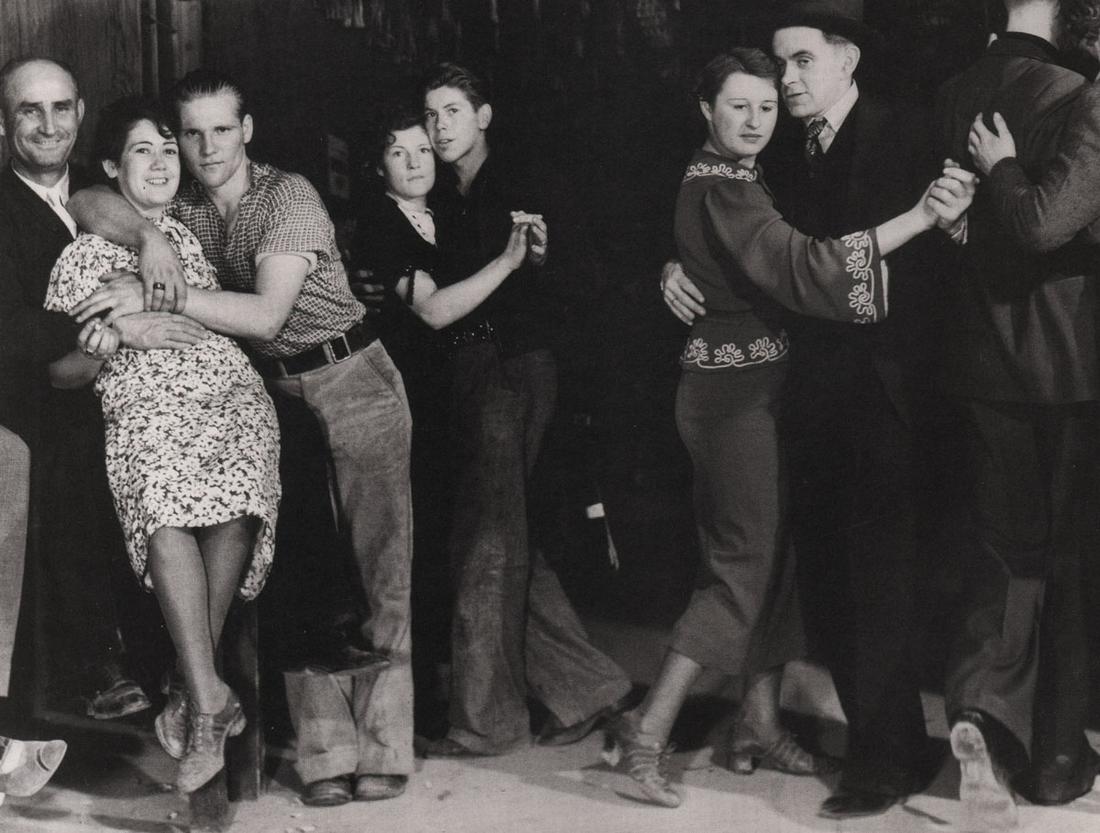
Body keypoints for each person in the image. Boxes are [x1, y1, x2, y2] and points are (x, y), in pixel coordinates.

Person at [604, 46, 973, 809]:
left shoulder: (740, 176)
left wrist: (681, 266)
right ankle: (647, 734)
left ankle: (757, 722)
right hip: (732, 398)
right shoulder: (725, 186)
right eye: (737, 106)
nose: (755, 120)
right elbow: (802, 263)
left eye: (766, 106)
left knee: (772, 567)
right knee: (740, 570)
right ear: (705, 111)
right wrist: (919, 217)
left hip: (759, 387)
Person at [67, 69, 414, 804]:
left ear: (247, 131)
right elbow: (86, 198)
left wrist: (151, 291)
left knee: (377, 564)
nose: (203, 147)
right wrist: (151, 237)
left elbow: (263, 317)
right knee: (300, 570)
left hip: (348, 375)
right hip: (271, 387)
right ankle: (324, 754)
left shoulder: (286, 197)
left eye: (220, 130)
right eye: (190, 134)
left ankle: (383, 745)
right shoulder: (181, 201)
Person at [43, 96, 281, 794]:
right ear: (115, 165)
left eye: (168, 148)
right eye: (142, 150)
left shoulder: (195, 236)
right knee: (164, 496)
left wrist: (160, 296)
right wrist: (112, 336)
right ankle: (210, 698)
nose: (161, 161)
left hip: (230, 394)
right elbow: (64, 369)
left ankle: (193, 692)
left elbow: (237, 317)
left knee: (239, 491)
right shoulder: (85, 249)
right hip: (147, 405)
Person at [418, 62, 634, 758]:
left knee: (485, 542)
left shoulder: (520, 182)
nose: (439, 126)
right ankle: (592, 687)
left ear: (483, 116)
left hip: (513, 368)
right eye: (430, 116)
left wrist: (543, 255)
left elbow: (586, 276)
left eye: (452, 111)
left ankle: (487, 721)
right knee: (504, 536)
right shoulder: (449, 197)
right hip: (476, 370)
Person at [0, 57, 206, 721]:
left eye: (62, 108)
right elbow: (10, 331)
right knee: (75, 450)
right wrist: (115, 318)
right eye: (30, 109)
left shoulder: (98, 185)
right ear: (3, 120)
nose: (48, 123)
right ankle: (98, 661)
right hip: (37, 392)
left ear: (81, 113)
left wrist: (149, 240)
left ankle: (195, 670)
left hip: (132, 381)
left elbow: (101, 210)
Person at [937, 3, 1100, 825]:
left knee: (1004, 555)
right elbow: (1043, 224)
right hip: (1067, 370)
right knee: (1067, 565)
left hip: (982, 356)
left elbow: (961, 224)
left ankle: (978, 718)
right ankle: (1057, 761)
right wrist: (1003, 174)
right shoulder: (1084, 94)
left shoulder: (961, 91)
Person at [351, 107, 536, 742]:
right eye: (397, 153)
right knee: (417, 544)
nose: (413, 161)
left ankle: (440, 696)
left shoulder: (449, 215)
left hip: (455, 388)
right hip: (410, 394)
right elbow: (431, 311)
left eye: (421, 150)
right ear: (378, 168)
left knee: (451, 541)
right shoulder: (381, 223)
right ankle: (418, 705)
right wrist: (507, 264)